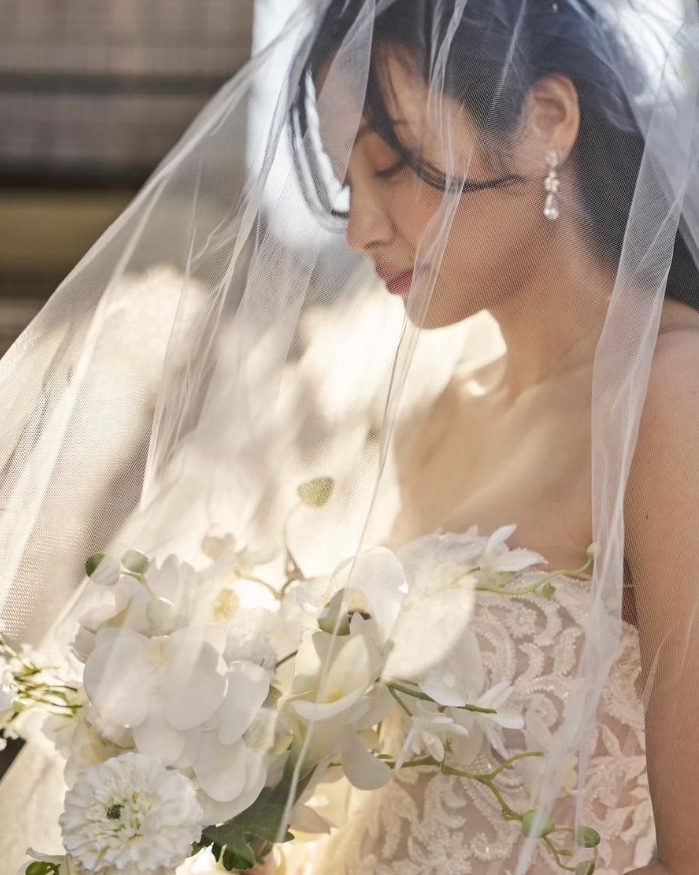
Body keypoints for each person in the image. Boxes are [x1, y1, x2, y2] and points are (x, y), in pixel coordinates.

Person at [0, 1, 697, 874]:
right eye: (346, 183)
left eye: (392, 166)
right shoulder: (433, 418)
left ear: (547, 120)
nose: (362, 226)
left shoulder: (673, 400)